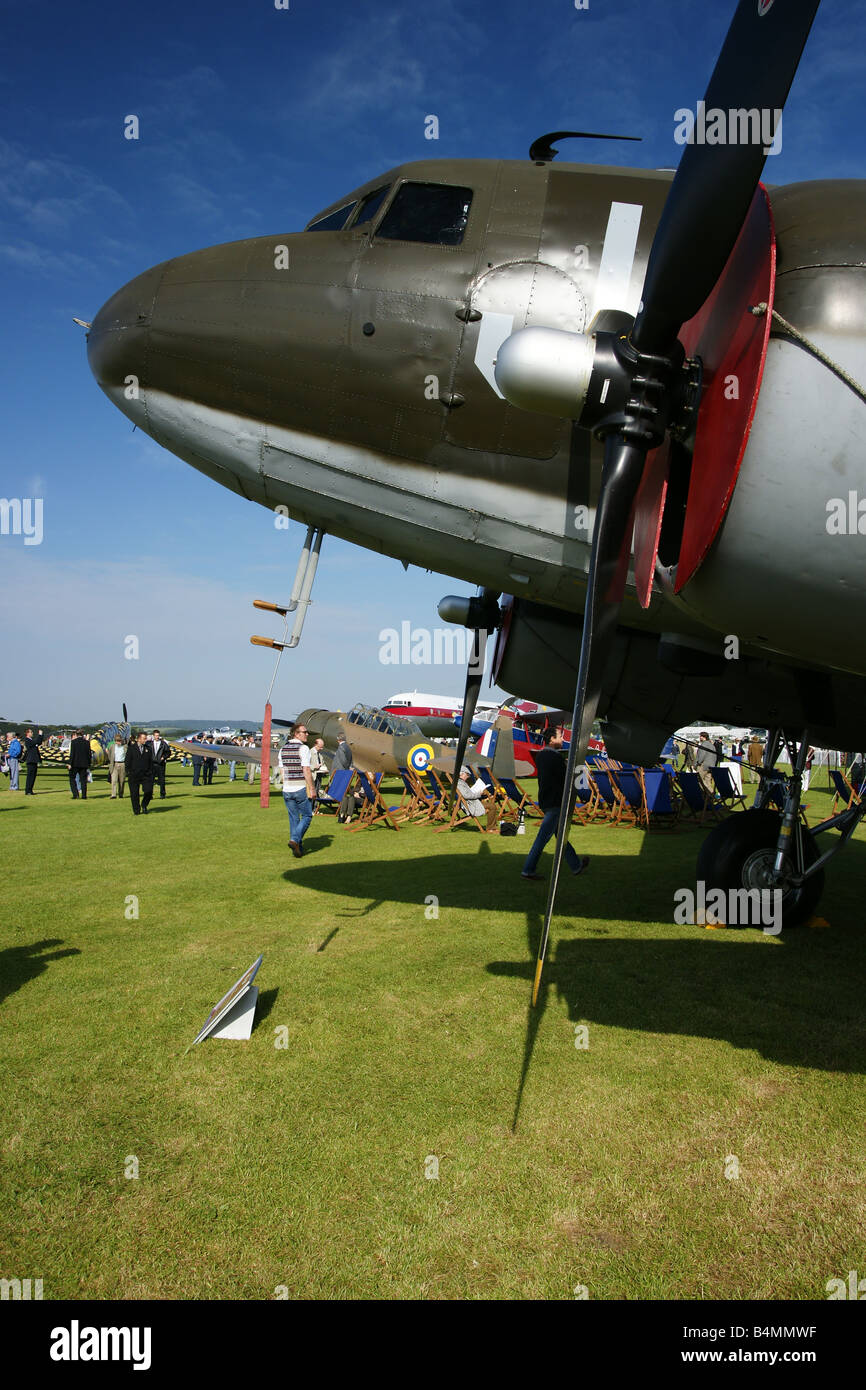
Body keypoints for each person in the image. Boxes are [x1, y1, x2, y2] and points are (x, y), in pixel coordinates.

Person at [521, 730, 589, 881]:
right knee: (543, 838)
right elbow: (567, 778)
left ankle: (576, 866)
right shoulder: (554, 757)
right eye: (560, 736)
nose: (563, 739)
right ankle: (528, 869)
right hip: (555, 802)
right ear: (552, 739)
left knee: (561, 836)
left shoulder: (541, 756)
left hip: (547, 800)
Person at [280, 722, 313, 857]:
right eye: (304, 732)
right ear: (296, 734)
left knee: (294, 818)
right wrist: (312, 788)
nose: (307, 734)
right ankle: (294, 840)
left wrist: (285, 785)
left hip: (287, 789)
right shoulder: (303, 748)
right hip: (299, 787)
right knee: (307, 816)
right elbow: (306, 769)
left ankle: (298, 848)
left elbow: (282, 771)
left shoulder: (283, 749)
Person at [456, 766, 498, 830]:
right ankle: (491, 829)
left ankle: (492, 827)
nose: (468, 777)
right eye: (467, 775)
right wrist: (478, 794)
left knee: (492, 806)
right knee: (492, 806)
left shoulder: (460, 782)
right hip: (470, 805)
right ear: (462, 774)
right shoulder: (460, 783)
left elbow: (466, 794)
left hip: (471, 803)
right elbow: (466, 796)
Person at [126, 732, 154, 815]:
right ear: (138, 739)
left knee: (149, 791)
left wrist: (150, 772)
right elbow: (127, 761)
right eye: (144, 738)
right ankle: (136, 810)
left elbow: (150, 762)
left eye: (146, 738)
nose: (145, 740)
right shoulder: (131, 748)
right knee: (134, 794)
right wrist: (129, 772)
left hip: (146, 774)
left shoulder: (148, 749)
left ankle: (144, 805)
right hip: (134, 774)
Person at [68, 730, 92, 799]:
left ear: (76, 734)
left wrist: (70, 763)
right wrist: (89, 763)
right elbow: (89, 754)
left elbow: (72, 754)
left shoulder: (73, 742)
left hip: (75, 763)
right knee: (83, 781)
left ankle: (75, 794)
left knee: (72, 778)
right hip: (84, 764)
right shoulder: (87, 742)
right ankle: (84, 795)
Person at [695, 732, 718, 796]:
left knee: (699, 780)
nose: (700, 738)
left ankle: (711, 792)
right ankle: (709, 796)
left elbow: (702, 755)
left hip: (704, 765)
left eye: (700, 736)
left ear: (703, 737)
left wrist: (698, 763)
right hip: (711, 766)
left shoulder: (704, 744)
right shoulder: (712, 745)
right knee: (708, 781)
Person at [22, 727, 44, 795]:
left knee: (33, 776)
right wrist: (39, 735)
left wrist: (41, 736)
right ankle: (28, 790)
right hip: (30, 760)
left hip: (34, 760)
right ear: (27, 733)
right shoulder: (27, 740)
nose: (32, 733)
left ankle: (30, 790)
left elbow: (39, 742)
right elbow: (36, 742)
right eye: (31, 732)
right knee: (30, 776)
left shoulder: (31, 740)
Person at [309, 737, 328, 811]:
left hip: (319, 775)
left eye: (322, 747)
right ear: (316, 745)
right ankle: (310, 809)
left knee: (317, 792)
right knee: (312, 793)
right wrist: (314, 767)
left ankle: (315, 809)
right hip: (312, 776)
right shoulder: (310, 753)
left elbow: (322, 763)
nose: (321, 749)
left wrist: (324, 768)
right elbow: (306, 765)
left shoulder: (319, 754)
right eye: (320, 747)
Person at [149, 730, 169, 798]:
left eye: (158, 735)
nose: (157, 737)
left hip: (161, 764)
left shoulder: (163, 744)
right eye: (156, 735)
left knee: (162, 780)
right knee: (151, 780)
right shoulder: (149, 744)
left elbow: (168, 752)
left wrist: (164, 757)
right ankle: (150, 794)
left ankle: (162, 794)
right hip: (152, 764)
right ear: (153, 736)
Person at [109, 734, 127, 798]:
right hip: (114, 764)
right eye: (117, 741)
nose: (118, 742)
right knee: (113, 780)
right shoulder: (112, 746)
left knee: (122, 781)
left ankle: (121, 793)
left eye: (119, 741)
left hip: (122, 764)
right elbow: (110, 755)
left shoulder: (125, 747)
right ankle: (113, 794)